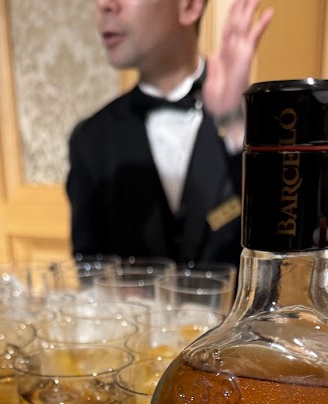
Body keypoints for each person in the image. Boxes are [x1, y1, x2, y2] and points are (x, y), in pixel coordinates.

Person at [66, 0, 274, 267]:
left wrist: (235, 124)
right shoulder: (90, 140)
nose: (104, 5)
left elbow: (280, 249)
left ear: (189, 6)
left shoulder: (265, 128)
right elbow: (88, 268)